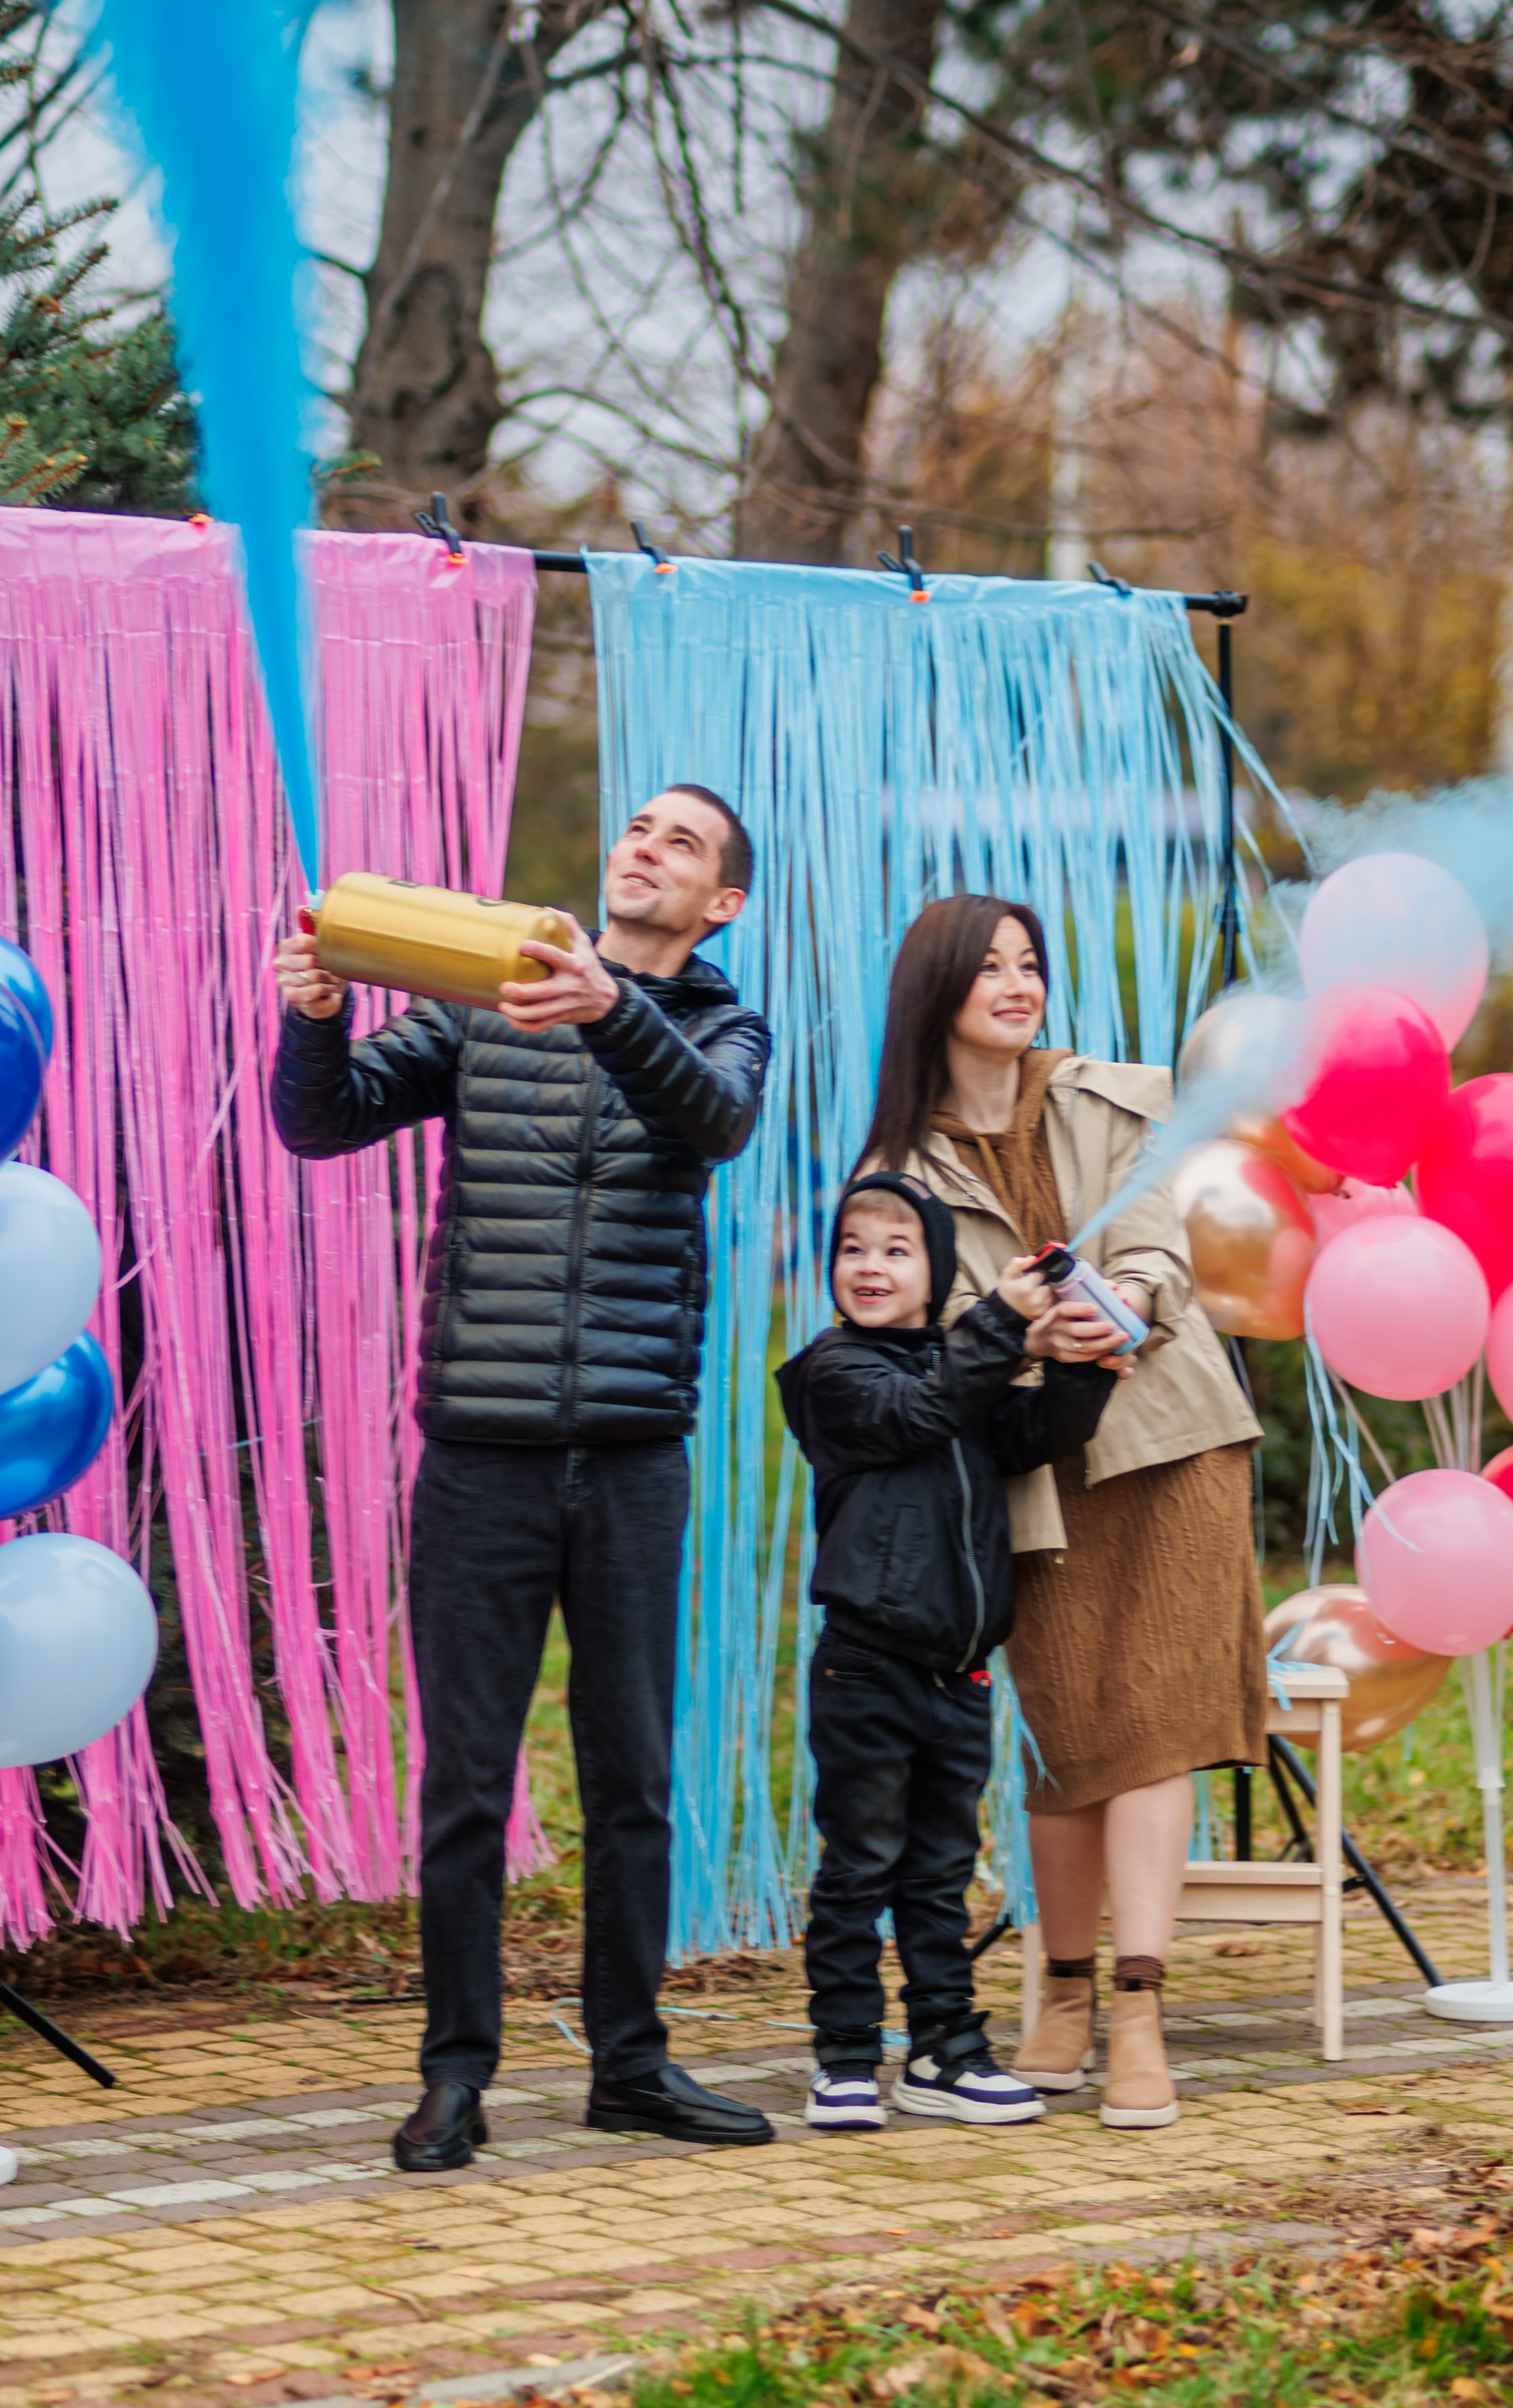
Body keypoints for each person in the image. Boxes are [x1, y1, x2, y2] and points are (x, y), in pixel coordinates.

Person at [271, 787, 776, 2171]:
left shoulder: (720, 1027)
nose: (643, 848)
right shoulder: (481, 1000)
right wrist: (313, 1018)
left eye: (680, 844)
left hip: (629, 1464)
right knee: (464, 1789)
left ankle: (630, 2067)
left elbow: (714, 1121)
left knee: (630, 1782)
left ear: (717, 902)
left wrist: (607, 1008)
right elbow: (323, 1125)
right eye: (636, 829)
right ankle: (453, 2078)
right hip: (478, 1460)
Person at [860, 895, 1266, 2132]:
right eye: (989, 967)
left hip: (1169, 1449)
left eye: (1030, 962)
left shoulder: (1116, 1095)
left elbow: (1161, 1251)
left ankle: (1137, 2009)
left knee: (1151, 1725)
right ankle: (1065, 1990)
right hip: (1025, 1476)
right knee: (1061, 1741)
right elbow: (908, 1324)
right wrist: (1018, 1331)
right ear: (936, 991)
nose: (1018, 982)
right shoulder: (896, 1170)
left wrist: (1122, 1306)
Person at [776, 1176, 1116, 2131]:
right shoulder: (831, 1372)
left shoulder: (965, 1370)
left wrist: (1082, 1365)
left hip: (959, 1676)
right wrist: (1004, 1329)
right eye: (852, 1247)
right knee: (859, 1869)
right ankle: (843, 2058)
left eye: (895, 1249)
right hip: (867, 1669)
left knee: (938, 1875)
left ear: (935, 1273)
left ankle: (944, 2052)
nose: (869, 1265)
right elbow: (915, 1413)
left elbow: (1027, 1432)